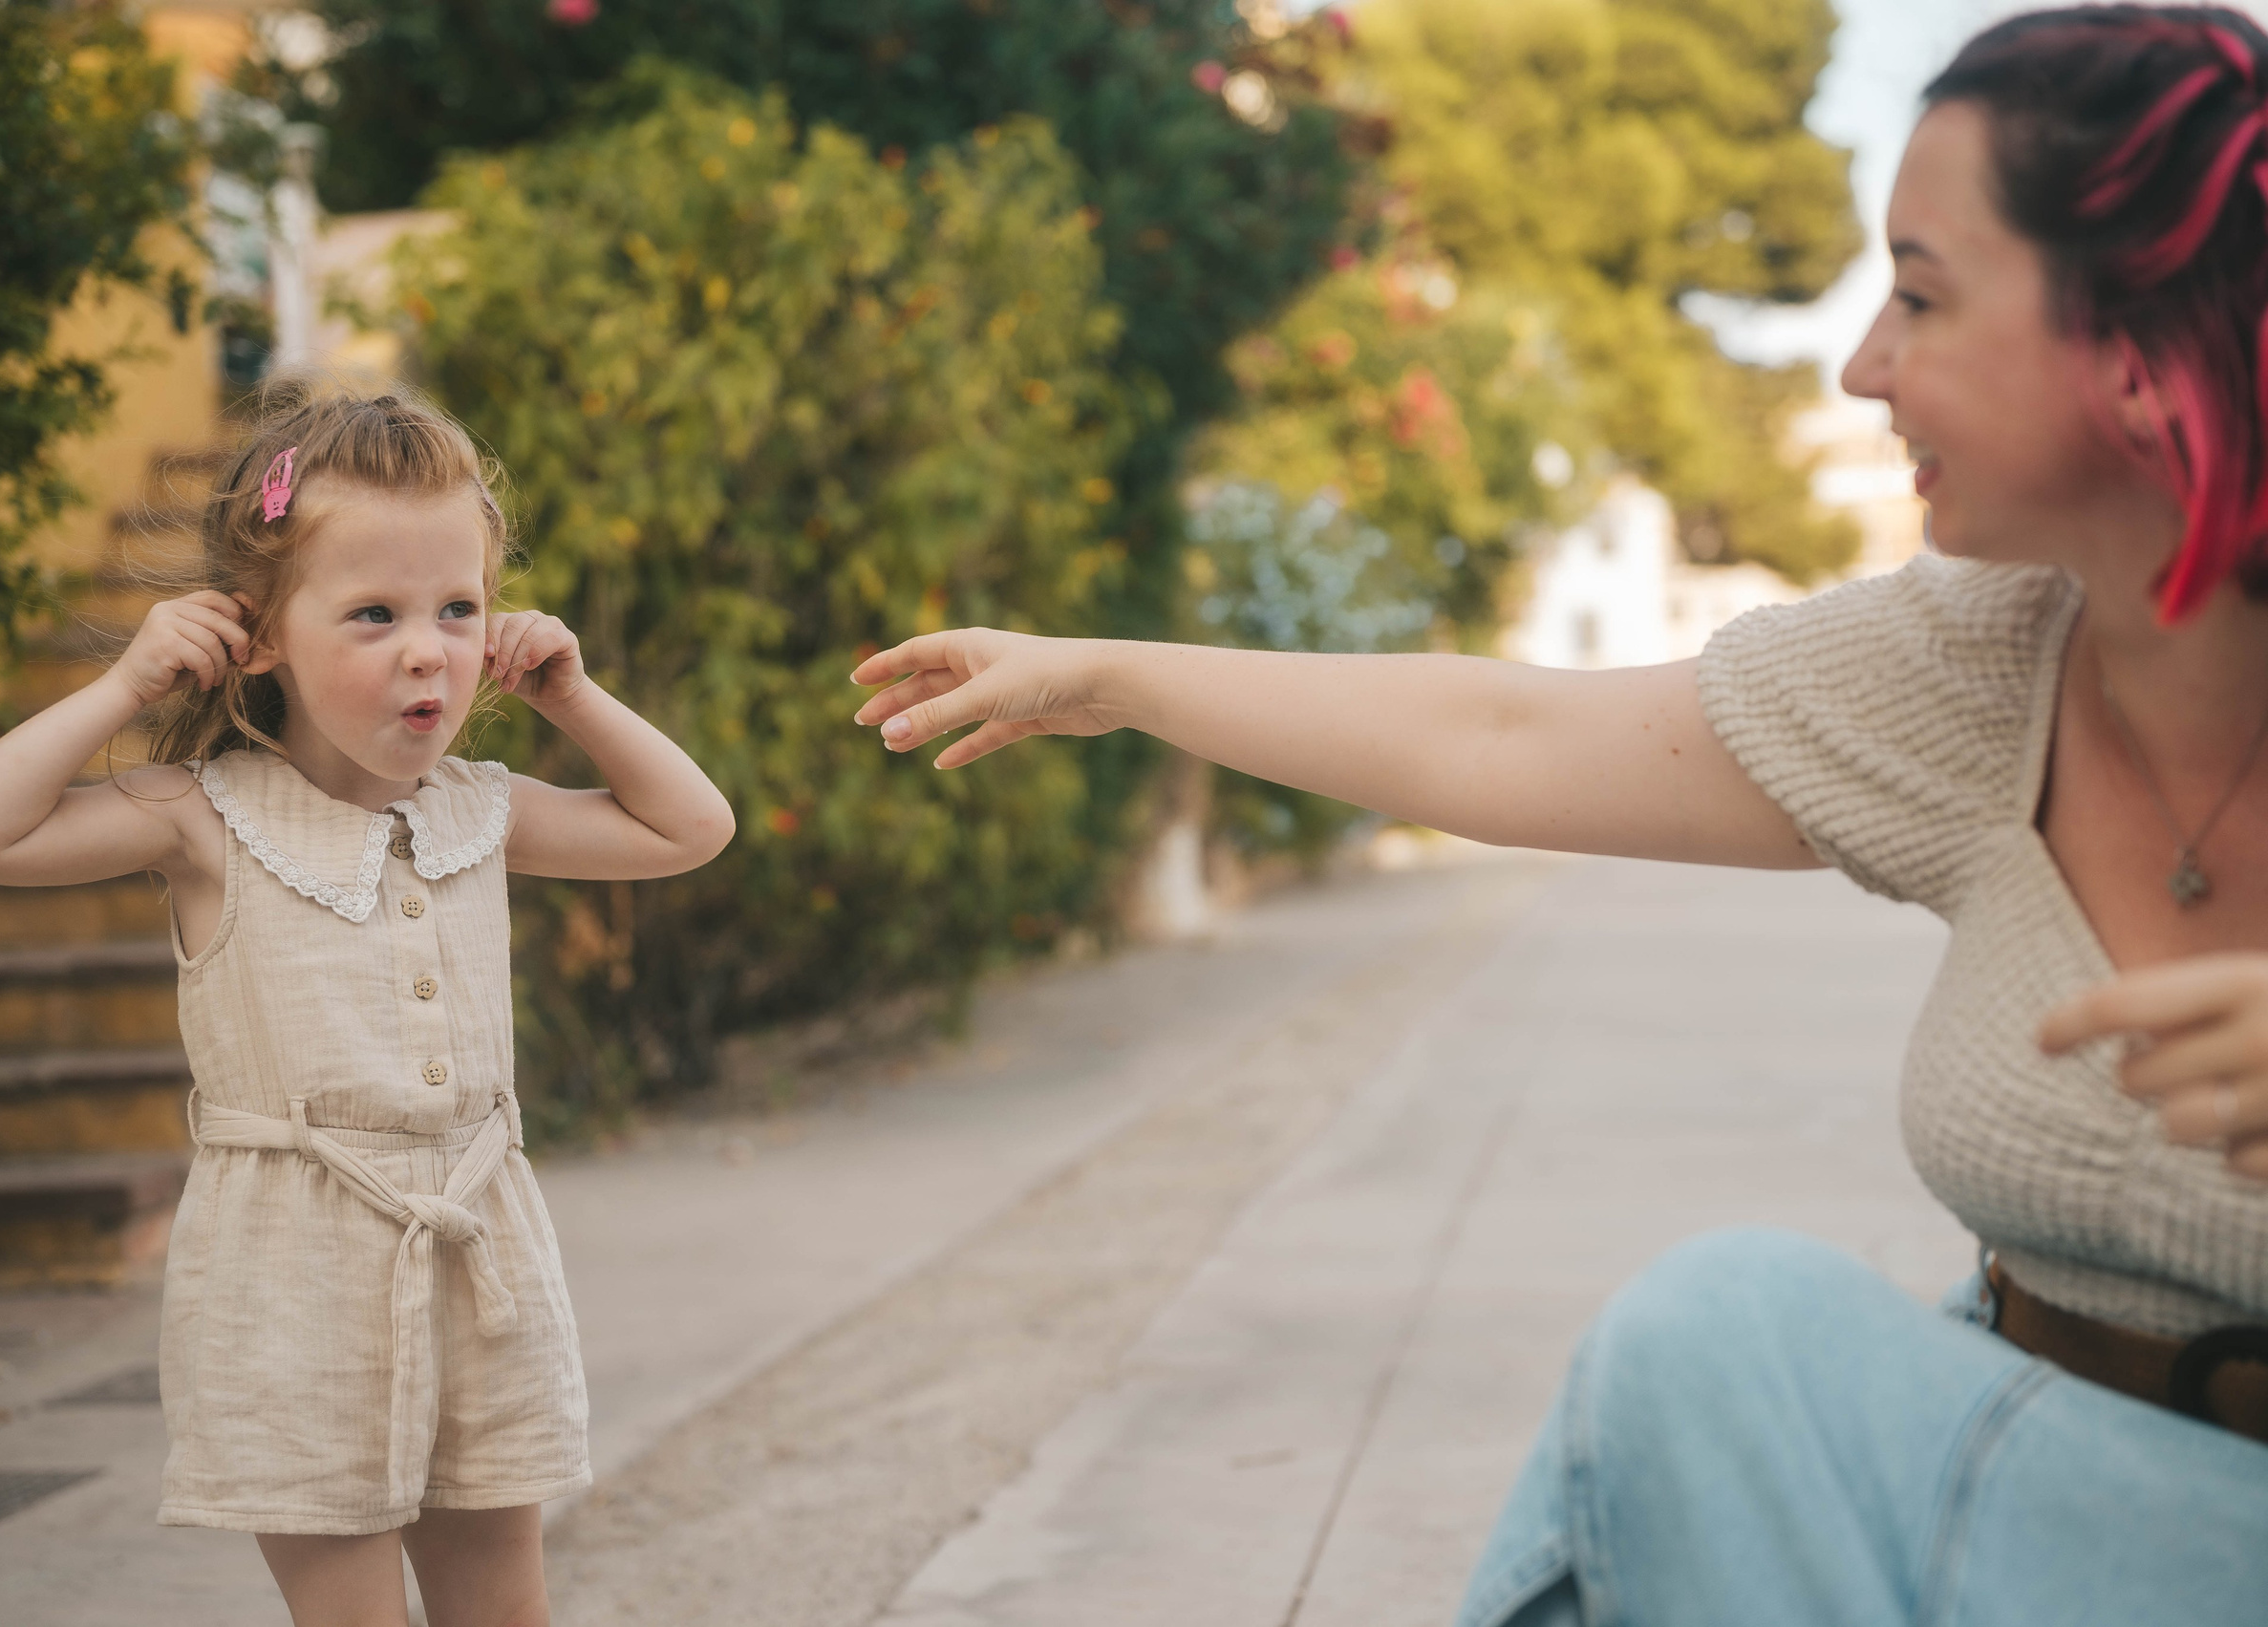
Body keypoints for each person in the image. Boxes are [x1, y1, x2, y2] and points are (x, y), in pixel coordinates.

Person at [850, 8, 2268, 1620]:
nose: (1865, 363)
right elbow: (1511, 730)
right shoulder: (1981, 663)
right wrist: (1108, 678)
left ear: (2146, 348)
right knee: (1697, 1414)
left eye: (1924, 297)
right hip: (1995, 1480)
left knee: (1723, 1337)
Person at [0, 379, 735, 1627]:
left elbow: (691, 826)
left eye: (459, 608)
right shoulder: (204, 814)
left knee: (505, 1611)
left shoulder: (483, 807)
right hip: (291, 1289)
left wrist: (571, 693)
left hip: (476, 1260)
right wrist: (128, 688)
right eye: (374, 613)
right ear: (258, 638)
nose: (430, 648)